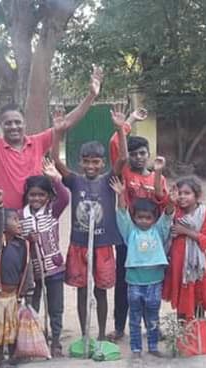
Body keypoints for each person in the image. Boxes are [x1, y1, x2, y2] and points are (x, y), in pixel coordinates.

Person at [0, 59, 104, 209]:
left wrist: (91, 96)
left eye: (17, 122)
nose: (14, 126)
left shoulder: (38, 142)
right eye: (8, 123)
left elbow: (65, 123)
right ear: (1, 125)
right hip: (7, 218)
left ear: (24, 124)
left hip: (37, 214)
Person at [52, 104, 129, 342]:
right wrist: (57, 133)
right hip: (79, 245)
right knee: (82, 290)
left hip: (103, 245)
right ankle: (85, 334)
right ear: (80, 162)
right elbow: (55, 160)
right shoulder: (74, 181)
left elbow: (124, 158)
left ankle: (102, 335)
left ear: (103, 163)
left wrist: (120, 129)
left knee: (101, 290)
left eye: (96, 162)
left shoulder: (109, 180)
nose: (91, 166)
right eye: (86, 162)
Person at [107, 108, 169, 342]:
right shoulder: (124, 173)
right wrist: (129, 120)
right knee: (124, 283)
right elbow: (115, 143)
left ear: (149, 154)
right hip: (128, 237)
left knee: (152, 284)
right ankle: (119, 327)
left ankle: (153, 327)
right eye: (134, 154)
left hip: (152, 240)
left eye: (142, 153)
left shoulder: (158, 177)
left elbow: (163, 202)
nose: (138, 157)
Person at [111, 175, 173, 358]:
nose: (144, 221)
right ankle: (136, 349)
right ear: (134, 217)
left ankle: (153, 347)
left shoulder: (158, 231)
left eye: (148, 218)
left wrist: (171, 201)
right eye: (140, 217)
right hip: (134, 282)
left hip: (154, 282)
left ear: (154, 219)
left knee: (153, 317)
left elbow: (168, 216)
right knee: (135, 318)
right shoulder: (130, 232)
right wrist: (120, 195)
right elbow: (122, 214)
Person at [19, 158, 70, 357]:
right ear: (27, 196)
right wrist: (28, 239)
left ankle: (56, 340)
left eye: (41, 195)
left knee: (56, 307)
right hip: (32, 272)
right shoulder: (20, 216)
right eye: (33, 195)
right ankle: (36, 339)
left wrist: (56, 179)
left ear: (48, 196)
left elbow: (65, 197)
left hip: (54, 269)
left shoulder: (52, 211)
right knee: (33, 306)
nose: (36, 199)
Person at [0, 190, 35, 368]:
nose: (19, 223)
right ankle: (0, 359)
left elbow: (26, 270)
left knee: (13, 327)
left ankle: (13, 356)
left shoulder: (22, 244)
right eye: (14, 220)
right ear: (4, 226)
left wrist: (28, 291)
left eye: (19, 220)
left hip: (14, 295)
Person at [163, 177, 206, 320]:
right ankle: (182, 332)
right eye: (180, 193)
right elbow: (167, 214)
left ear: (197, 195)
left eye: (187, 193)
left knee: (199, 298)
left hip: (197, 263)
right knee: (182, 299)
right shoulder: (176, 211)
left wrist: (185, 231)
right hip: (178, 262)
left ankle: (198, 330)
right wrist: (171, 200)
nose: (182, 196)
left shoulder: (203, 213)